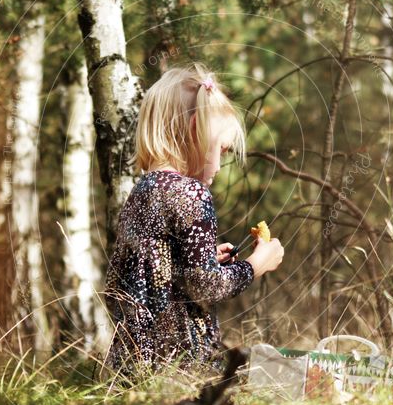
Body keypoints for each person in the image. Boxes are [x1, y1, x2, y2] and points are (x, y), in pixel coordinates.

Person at [101, 62, 284, 381]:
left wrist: (198, 259)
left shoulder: (144, 190)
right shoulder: (191, 193)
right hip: (181, 364)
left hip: (131, 363)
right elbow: (206, 287)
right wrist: (256, 265)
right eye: (223, 149)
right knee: (268, 378)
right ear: (197, 128)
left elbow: (129, 278)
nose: (223, 161)